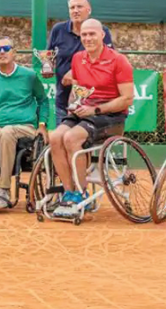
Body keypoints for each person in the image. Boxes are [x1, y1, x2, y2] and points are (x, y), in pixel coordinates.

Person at [49, 18, 133, 218]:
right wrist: (74, 106)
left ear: (102, 35)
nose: (88, 38)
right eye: (84, 34)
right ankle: (69, 193)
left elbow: (127, 99)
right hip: (84, 113)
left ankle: (81, 192)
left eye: (92, 34)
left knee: (71, 138)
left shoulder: (118, 60)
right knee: (54, 137)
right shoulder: (78, 58)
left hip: (111, 117)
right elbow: (77, 89)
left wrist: (96, 110)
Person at [0, 36, 50, 209]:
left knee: (8, 131)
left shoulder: (29, 76)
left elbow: (43, 101)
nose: (2, 52)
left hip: (25, 126)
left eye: (6, 48)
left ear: (14, 52)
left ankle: (5, 189)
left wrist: (43, 124)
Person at [47, 0, 113, 124]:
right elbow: (49, 54)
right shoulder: (58, 30)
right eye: (72, 8)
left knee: (81, 140)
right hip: (63, 100)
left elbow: (108, 62)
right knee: (61, 139)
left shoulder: (103, 31)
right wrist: (47, 64)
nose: (75, 11)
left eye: (79, 7)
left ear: (89, 10)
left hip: (91, 102)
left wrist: (75, 72)